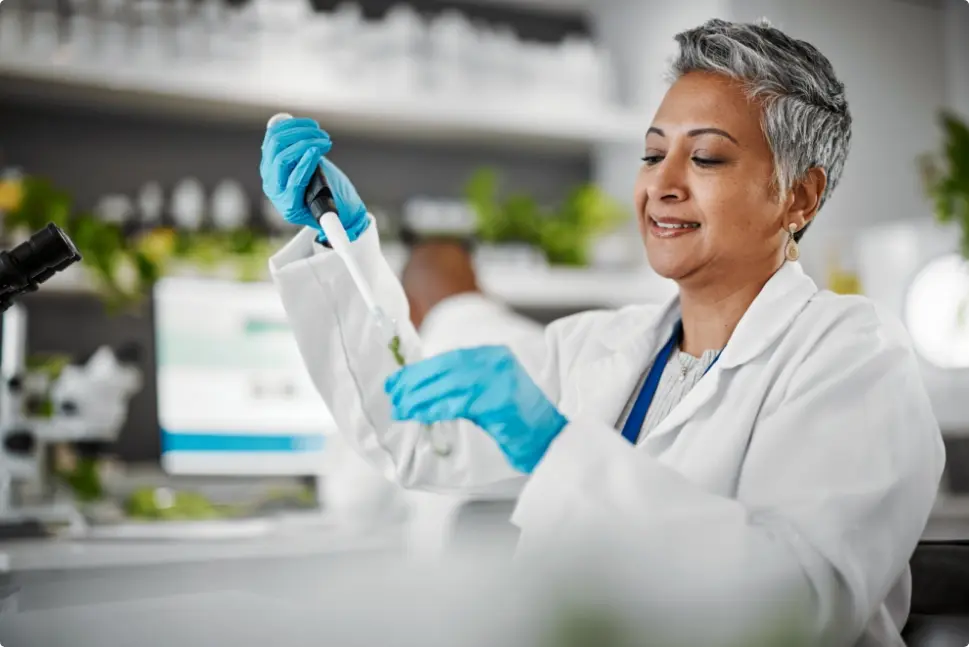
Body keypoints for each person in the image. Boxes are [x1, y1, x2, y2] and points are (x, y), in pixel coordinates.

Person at [262, 18, 945, 646]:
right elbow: (414, 437)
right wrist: (343, 246)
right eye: (652, 156)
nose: (662, 184)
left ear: (796, 196)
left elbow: (796, 606)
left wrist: (556, 449)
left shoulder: (853, 356)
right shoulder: (600, 346)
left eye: (704, 158)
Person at [397, 235, 546, 559]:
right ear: (479, 285)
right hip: (554, 591)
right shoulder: (553, 347)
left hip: (441, 591)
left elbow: (353, 499)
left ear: (409, 306)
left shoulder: (409, 370)